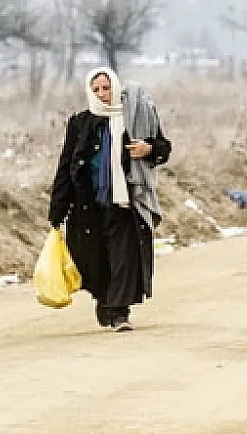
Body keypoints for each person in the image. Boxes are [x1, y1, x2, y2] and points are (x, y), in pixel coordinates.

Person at [49, 68, 171, 331]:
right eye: (97, 90)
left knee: (123, 258)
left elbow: (163, 147)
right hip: (87, 206)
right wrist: (57, 209)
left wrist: (149, 149)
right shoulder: (79, 123)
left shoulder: (132, 119)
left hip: (125, 203)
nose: (103, 94)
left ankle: (119, 312)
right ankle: (104, 300)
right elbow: (66, 165)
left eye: (107, 88)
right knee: (94, 260)